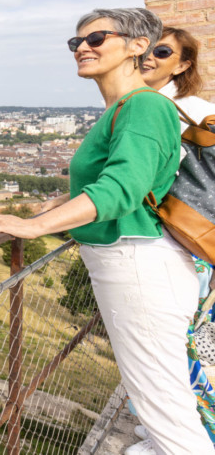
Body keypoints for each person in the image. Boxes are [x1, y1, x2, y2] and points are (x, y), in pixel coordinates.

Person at [0, 8, 212, 455]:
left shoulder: (144, 105)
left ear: (136, 46)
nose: (82, 48)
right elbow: (102, 185)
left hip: (137, 266)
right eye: (76, 43)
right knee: (159, 402)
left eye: (96, 38)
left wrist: (37, 226)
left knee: (169, 419)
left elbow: (122, 189)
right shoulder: (123, 108)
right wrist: (45, 208)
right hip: (133, 263)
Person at [140, 26, 215, 449]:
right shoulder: (184, 105)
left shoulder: (177, 108)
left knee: (184, 351)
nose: (150, 55)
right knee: (187, 346)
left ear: (183, 64)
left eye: (163, 51)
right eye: (146, 48)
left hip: (188, 242)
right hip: (191, 239)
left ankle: (186, 441)